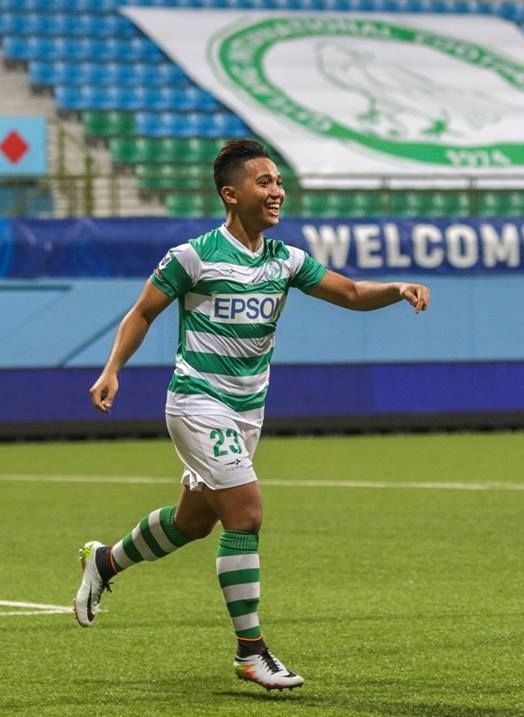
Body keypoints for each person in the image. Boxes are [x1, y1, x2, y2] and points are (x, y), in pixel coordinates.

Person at [75, 139, 430, 690]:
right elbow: (143, 311)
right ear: (230, 193)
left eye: (279, 182)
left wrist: (396, 287)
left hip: (246, 411)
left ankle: (105, 563)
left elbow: (354, 292)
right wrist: (112, 368)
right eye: (264, 182)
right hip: (197, 401)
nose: (277, 192)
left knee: (194, 521)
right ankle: (250, 651)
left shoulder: (284, 260)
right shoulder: (193, 257)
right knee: (246, 514)